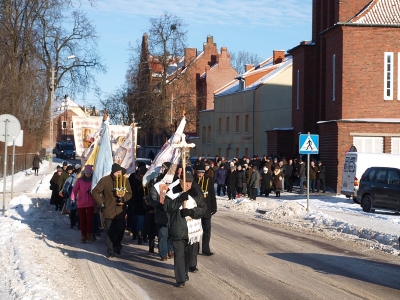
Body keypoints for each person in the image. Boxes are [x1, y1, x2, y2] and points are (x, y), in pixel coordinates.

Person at [164, 172, 206, 288]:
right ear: (180, 181)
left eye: (190, 183)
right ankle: (180, 279)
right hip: (178, 228)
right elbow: (167, 207)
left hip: (192, 232)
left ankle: (185, 272)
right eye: (185, 182)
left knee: (189, 254)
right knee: (179, 255)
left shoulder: (196, 193)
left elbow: (203, 208)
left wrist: (191, 212)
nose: (188, 185)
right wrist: (179, 200)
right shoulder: (172, 192)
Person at [92, 163, 132, 258]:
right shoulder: (105, 180)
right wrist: (101, 202)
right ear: (113, 172)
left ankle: (117, 243)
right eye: (118, 172)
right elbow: (95, 191)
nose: (119, 173)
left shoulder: (124, 180)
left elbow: (129, 193)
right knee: (110, 231)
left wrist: (123, 199)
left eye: (120, 172)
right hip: (108, 210)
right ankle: (110, 251)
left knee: (121, 229)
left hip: (120, 210)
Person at [193, 166, 216, 257]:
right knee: (197, 229)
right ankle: (196, 249)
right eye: (199, 173)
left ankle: (206, 249)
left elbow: (212, 193)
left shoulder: (209, 179)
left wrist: (214, 207)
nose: (201, 175)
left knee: (207, 229)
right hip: (197, 208)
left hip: (207, 208)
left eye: (202, 173)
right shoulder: (193, 180)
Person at [70, 165, 96, 243]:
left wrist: (92, 192)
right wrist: (72, 198)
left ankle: (89, 235)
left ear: (91, 173)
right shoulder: (79, 180)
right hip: (81, 203)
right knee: (82, 220)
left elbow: (97, 190)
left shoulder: (93, 181)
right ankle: (83, 236)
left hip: (90, 202)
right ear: (84, 173)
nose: (88, 174)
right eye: (86, 173)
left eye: (89, 173)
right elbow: (74, 190)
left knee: (90, 220)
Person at [63, 164, 81, 229]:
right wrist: (70, 193)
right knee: (73, 211)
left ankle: (79, 224)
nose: (79, 171)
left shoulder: (82, 177)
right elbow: (65, 187)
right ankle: (72, 223)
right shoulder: (71, 178)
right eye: (79, 170)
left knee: (79, 212)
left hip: (80, 197)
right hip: (72, 197)